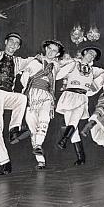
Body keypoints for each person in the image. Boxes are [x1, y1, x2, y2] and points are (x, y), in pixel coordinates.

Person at [0, 12, 33, 175]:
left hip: (6, 94)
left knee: (21, 98)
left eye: (16, 43)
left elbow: (34, 60)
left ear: (18, 47)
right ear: (6, 42)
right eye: (11, 41)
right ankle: (5, 163)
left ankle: (14, 130)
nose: (13, 45)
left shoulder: (18, 61)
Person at [55, 47, 104, 165]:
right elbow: (58, 69)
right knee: (72, 126)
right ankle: (81, 157)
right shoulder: (73, 64)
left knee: (74, 120)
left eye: (93, 56)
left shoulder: (94, 70)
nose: (91, 56)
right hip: (69, 95)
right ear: (84, 53)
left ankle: (64, 139)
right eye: (90, 53)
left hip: (81, 97)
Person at [20, 40, 65, 169]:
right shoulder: (34, 61)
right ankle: (41, 160)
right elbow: (24, 79)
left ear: (57, 54)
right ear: (45, 48)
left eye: (54, 50)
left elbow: (68, 65)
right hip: (31, 96)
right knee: (33, 129)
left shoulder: (55, 66)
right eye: (49, 48)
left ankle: (39, 146)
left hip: (46, 96)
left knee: (44, 119)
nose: (51, 52)